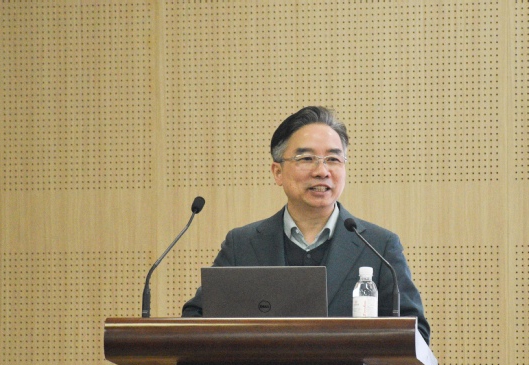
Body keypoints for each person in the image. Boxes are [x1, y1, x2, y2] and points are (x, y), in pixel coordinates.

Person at [182, 106, 430, 346]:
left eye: (333, 159)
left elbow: (416, 332)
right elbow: (196, 319)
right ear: (277, 172)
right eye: (307, 158)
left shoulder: (378, 246)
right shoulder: (242, 245)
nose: (322, 171)